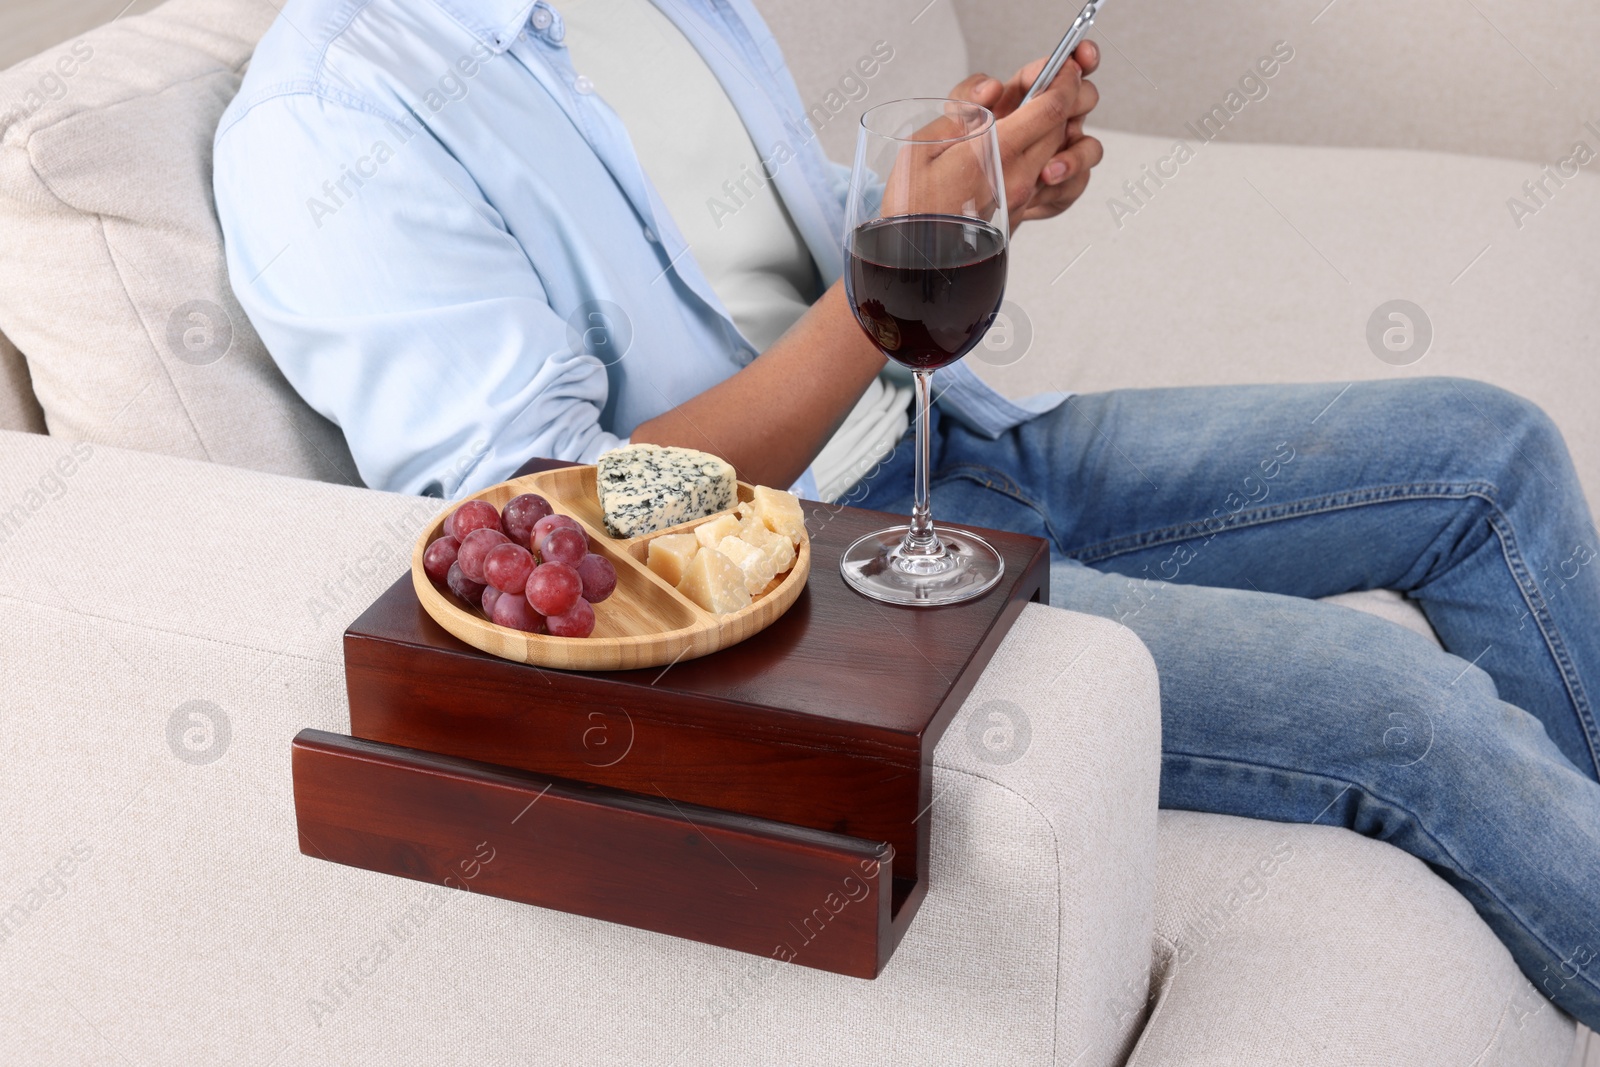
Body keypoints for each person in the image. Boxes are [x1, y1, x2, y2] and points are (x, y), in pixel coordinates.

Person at [213, 0, 1600, 1028]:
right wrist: (884, 287)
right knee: (1396, 705)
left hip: (962, 431)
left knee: (1493, 453)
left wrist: (954, 187)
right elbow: (562, 521)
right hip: (817, 582)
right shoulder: (331, 124)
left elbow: (768, 240)